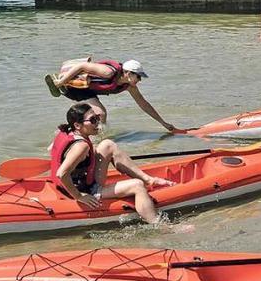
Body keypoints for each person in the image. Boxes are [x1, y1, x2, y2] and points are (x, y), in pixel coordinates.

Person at [49, 103, 175, 224]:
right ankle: (158, 224)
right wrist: (79, 196)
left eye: (97, 117)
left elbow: (53, 150)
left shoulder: (65, 131)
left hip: (69, 185)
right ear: (77, 125)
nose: (97, 122)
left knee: (107, 145)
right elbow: (61, 174)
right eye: (92, 120)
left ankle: (149, 180)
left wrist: (83, 159)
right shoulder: (81, 147)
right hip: (85, 190)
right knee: (137, 186)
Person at [46, 59, 181, 132]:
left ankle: (87, 134)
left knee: (97, 115)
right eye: (138, 77)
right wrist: (61, 82)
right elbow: (82, 65)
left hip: (89, 91)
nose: (139, 80)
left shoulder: (129, 86)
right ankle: (95, 138)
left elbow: (144, 104)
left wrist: (163, 123)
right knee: (101, 114)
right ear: (128, 73)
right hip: (76, 88)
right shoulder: (108, 72)